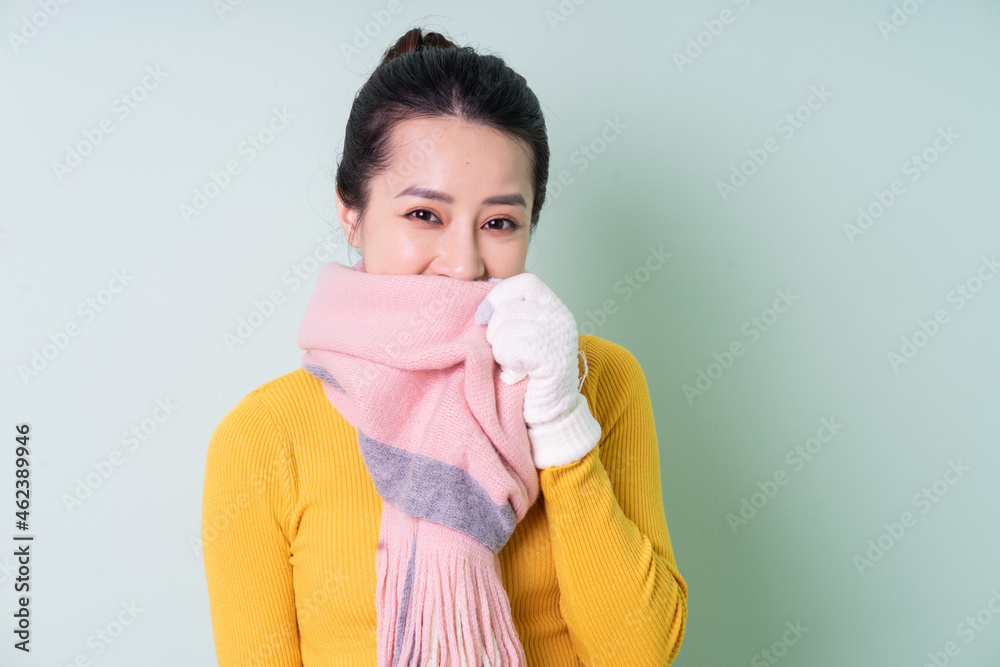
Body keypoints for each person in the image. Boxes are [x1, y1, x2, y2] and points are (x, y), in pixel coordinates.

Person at [201, 27, 687, 666]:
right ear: (352, 214)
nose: (463, 265)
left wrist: (561, 419)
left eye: (498, 223)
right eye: (425, 215)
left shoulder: (600, 381)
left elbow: (639, 657)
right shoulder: (264, 436)